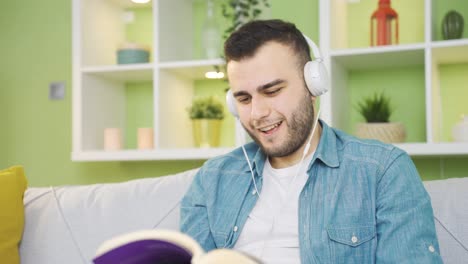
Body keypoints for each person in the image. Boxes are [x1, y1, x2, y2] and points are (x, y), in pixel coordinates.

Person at [180, 19, 442, 263]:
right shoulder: (212, 179)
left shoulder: (382, 170)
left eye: (272, 91)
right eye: (244, 99)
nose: (258, 113)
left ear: (313, 86)